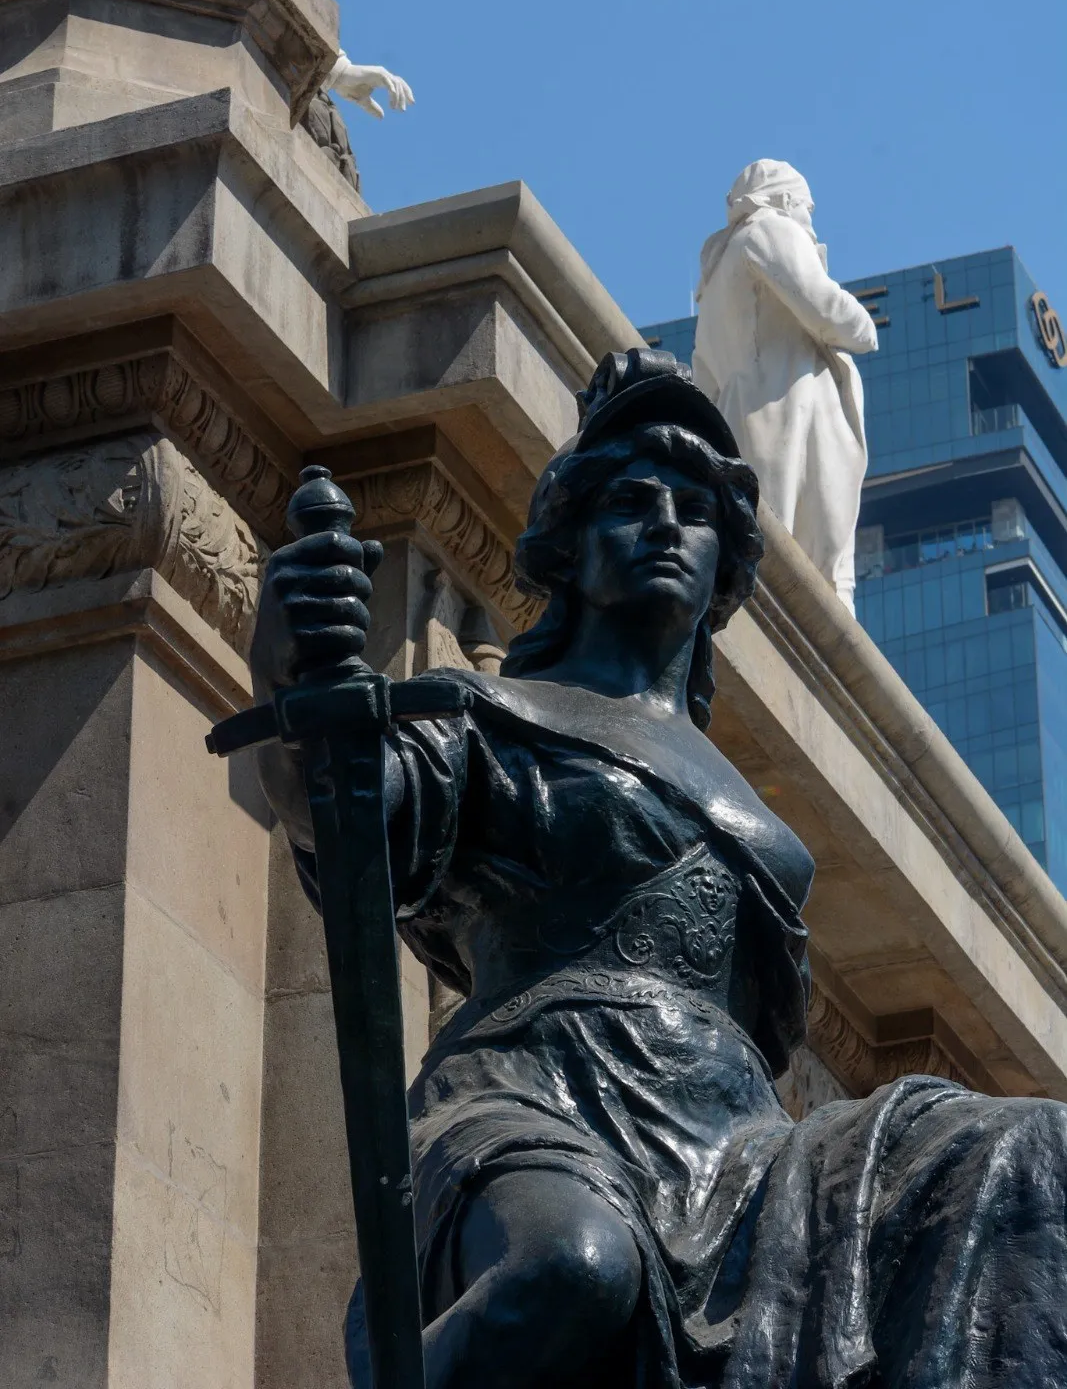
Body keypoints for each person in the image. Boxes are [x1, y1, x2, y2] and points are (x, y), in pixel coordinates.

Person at [252, 348, 1067, 1389]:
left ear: (725, 562)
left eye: (692, 507)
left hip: (739, 1150)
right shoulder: (489, 716)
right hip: (536, 1096)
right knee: (574, 1267)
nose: (664, 521)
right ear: (570, 542)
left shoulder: (739, 797)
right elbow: (348, 815)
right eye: (630, 500)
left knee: (1035, 1157)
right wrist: (290, 673)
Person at [694, 159, 878, 612]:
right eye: (808, 209)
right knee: (805, 559)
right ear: (785, 200)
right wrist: (865, 325)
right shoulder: (769, 230)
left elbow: (703, 378)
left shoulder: (714, 277)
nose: (811, 223)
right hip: (788, 409)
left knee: (769, 546)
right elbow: (824, 304)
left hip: (744, 417)